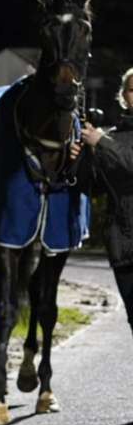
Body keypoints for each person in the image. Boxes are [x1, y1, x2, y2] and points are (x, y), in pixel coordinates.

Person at [80, 67, 133, 334]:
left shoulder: (107, 140)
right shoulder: (112, 135)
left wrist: (101, 143)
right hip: (122, 243)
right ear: (124, 96)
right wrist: (83, 155)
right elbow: (95, 187)